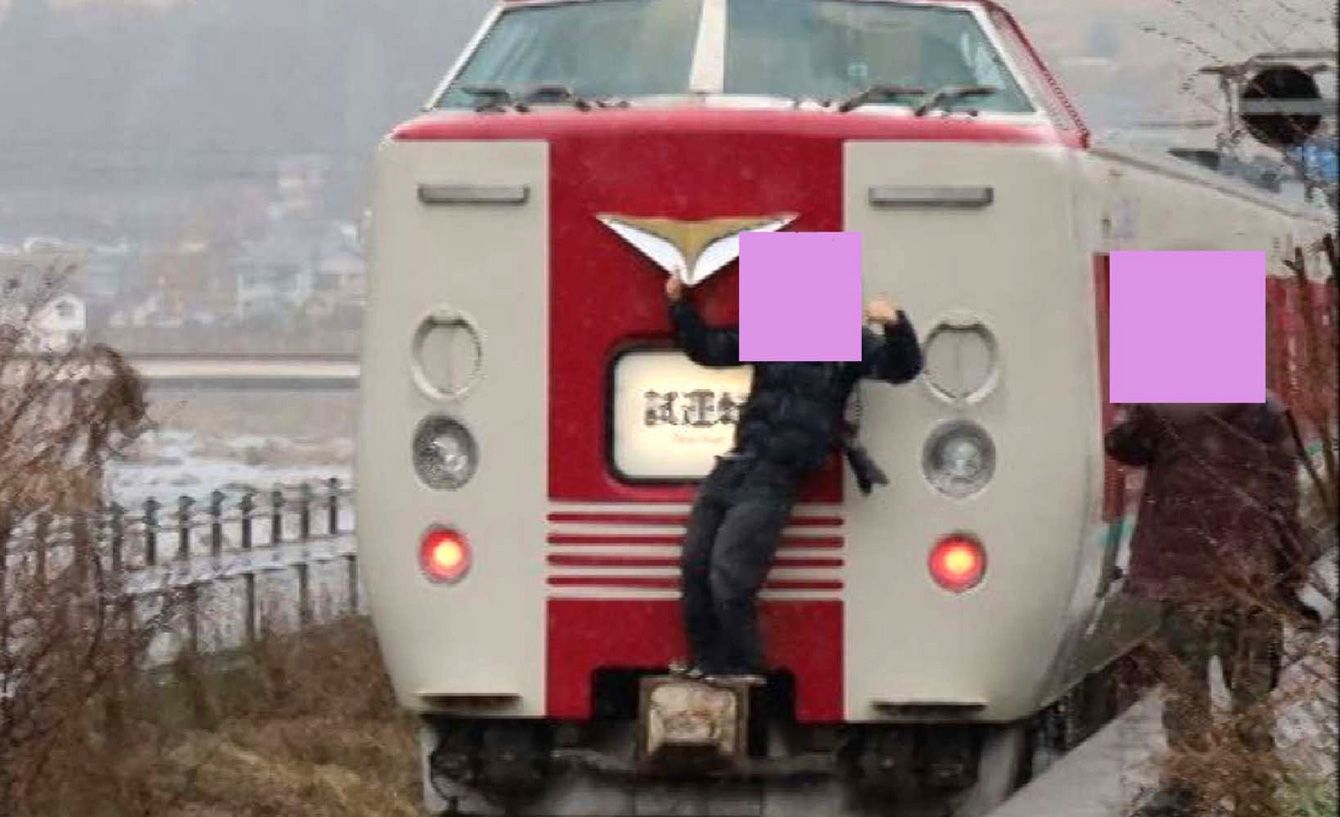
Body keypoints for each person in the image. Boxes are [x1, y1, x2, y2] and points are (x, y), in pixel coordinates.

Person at [665, 274, 922, 679]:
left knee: (730, 573)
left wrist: (895, 324)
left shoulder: (847, 343)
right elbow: (708, 349)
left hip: (776, 473)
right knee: (695, 563)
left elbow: (903, 367)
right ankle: (706, 662)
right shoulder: (774, 332)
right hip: (737, 461)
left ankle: (743, 667)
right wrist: (680, 306)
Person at [1105, 398, 1313, 817]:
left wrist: (1142, 404)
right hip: (1248, 577)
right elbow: (1284, 501)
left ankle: (1187, 790)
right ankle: (1254, 793)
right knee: (1252, 698)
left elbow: (1123, 446)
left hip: (1184, 580)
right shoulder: (1265, 412)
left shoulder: (1162, 408)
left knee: (1185, 692)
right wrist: (1289, 578)